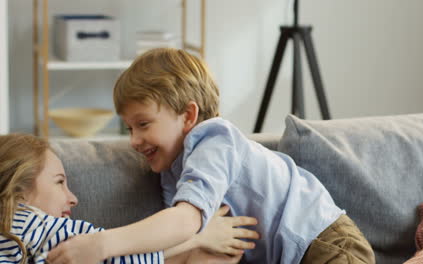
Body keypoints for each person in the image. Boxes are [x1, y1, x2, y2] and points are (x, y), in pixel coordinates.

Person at [47, 48, 375, 264]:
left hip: (327, 245)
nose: (133, 140)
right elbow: (192, 243)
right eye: (129, 128)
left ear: (189, 116)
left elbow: (185, 222)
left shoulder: (215, 140)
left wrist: (101, 244)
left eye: (143, 124)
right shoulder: (171, 174)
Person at [0, 133, 257, 264]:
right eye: (59, 182)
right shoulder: (31, 224)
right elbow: (116, 257)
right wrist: (200, 236)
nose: (73, 198)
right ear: (18, 189)